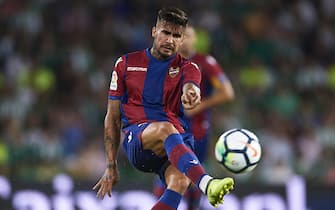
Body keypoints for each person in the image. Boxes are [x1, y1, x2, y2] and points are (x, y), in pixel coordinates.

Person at [93, 8, 234, 209]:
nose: (170, 40)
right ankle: (207, 183)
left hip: (174, 142)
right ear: (153, 32)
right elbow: (113, 117)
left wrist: (192, 94)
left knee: (181, 181)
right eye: (166, 33)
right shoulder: (126, 64)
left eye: (176, 35)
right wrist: (110, 164)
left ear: (182, 39)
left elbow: (191, 86)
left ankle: (199, 181)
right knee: (165, 128)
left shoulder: (190, 67)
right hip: (139, 139)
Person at [153, 25, 235, 210]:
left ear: (195, 39)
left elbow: (227, 92)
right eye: (182, 36)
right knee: (166, 175)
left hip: (197, 132)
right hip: (171, 129)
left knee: (193, 180)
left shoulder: (206, 63)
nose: (185, 40)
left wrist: (200, 105)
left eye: (189, 36)